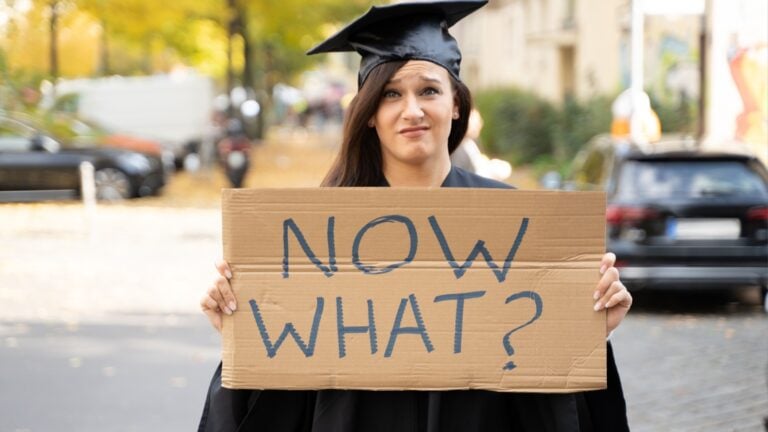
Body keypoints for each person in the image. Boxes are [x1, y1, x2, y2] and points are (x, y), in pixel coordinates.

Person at [199, 1, 633, 431]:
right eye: (391, 94)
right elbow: (279, 385)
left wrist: (589, 329)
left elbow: (548, 386)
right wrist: (243, 330)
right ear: (370, 115)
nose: (412, 110)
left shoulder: (516, 224)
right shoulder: (318, 234)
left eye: (429, 90)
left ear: (457, 105)